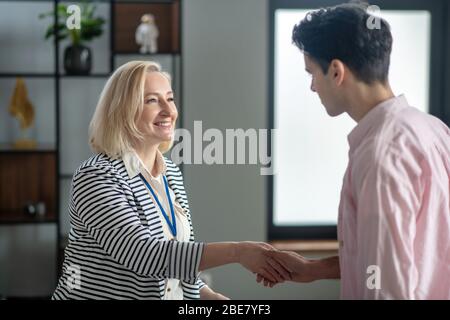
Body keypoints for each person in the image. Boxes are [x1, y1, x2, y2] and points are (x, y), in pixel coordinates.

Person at [52, 60, 290, 300]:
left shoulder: (171, 173)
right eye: (152, 100)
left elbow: (176, 262)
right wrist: (238, 252)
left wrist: (210, 296)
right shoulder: (96, 176)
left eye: (170, 98)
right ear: (123, 110)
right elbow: (143, 255)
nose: (169, 110)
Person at [262, 3, 450, 299]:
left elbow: (387, 287)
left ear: (336, 71)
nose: (312, 87)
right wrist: (314, 270)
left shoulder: (381, 154)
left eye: (312, 73)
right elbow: (411, 255)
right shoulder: (433, 129)